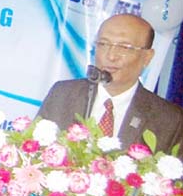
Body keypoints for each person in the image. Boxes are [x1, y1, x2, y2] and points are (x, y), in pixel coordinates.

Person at [37, 14, 183, 156]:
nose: (111, 56)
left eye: (124, 47)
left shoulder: (170, 120)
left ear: (147, 57)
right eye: (104, 44)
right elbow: (33, 152)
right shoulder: (63, 94)